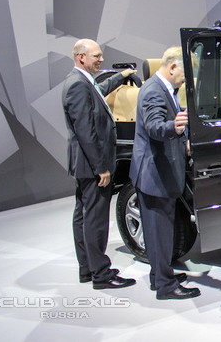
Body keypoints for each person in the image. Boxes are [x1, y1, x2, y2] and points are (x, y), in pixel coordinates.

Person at [62, 38, 137, 289]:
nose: (101, 59)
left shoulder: (82, 81)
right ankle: (101, 275)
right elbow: (86, 131)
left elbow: (99, 91)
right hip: (92, 164)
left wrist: (121, 76)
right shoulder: (78, 85)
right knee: (95, 219)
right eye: (96, 56)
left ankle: (88, 268)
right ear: (81, 57)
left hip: (84, 163)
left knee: (84, 216)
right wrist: (101, 168)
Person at [130, 47, 200, 300]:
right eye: (185, 74)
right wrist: (175, 127)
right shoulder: (153, 91)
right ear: (172, 67)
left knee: (159, 230)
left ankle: (159, 276)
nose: (186, 80)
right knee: (158, 231)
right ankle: (165, 286)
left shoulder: (164, 88)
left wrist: (184, 138)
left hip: (159, 171)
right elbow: (154, 126)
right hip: (154, 173)